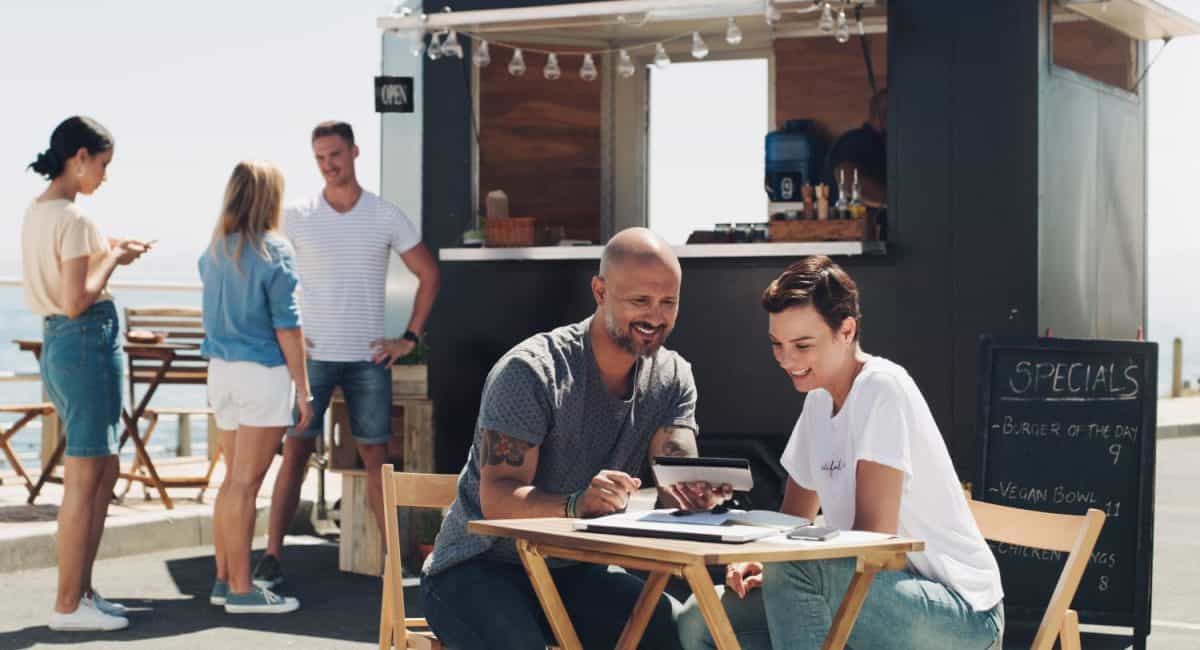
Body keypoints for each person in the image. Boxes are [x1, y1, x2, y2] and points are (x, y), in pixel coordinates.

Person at [678, 256, 1004, 650]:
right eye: (777, 344)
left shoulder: (882, 388)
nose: (786, 359)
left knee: (794, 570)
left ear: (846, 330)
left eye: (802, 345)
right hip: (868, 592)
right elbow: (791, 522)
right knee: (701, 617)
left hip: (960, 613)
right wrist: (757, 560)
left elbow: (876, 547)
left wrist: (786, 564)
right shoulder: (818, 401)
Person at [420, 228, 721, 650]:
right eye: (639, 301)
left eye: (668, 302)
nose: (655, 316)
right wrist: (575, 504)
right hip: (477, 567)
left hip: (573, 571)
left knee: (681, 636)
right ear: (599, 291)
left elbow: (677, 466)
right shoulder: (530, 372)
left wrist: (692, 490)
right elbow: (498, 499)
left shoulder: (672, 378)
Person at [253, 120, 440, 588]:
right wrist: (285, 338)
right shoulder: (295, 215)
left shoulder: (385, 215)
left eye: (334, 155)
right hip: (309, 358)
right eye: (319, 158)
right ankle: (271, 557)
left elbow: (429, 274)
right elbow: (263, 275)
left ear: (355, 152)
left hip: (367, 359)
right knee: (293, 454)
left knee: (377, 459)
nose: (327, 165)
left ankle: (394, 563)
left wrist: (409, 338)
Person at [22, 116, 150, 631]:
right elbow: (78, 299)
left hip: (60, 346)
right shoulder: (74, 219)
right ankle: (69, 604)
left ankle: (83, 593)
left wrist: (106, 250)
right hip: (83, 344)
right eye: (102, 164)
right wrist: (114, 257)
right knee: (84, 477)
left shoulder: (40, 211)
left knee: (103, 469)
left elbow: (64, 281)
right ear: (79, 157)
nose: (104, 176)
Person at [199, 160, 311, 614]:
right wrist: (303, 389)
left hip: (221, 373)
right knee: (246, 484)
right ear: (270, 198)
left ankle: (225, 580)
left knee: (232, 482)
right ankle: (244, 591)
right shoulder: (274, 250)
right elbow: (288, 327)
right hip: (261, 374)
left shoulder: (214, 252)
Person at [826, 88, 887, 209]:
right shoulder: (857, 141)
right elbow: (847, 182)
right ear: (885, 115)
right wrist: (896, 202)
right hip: (847, 226)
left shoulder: (876, 143)